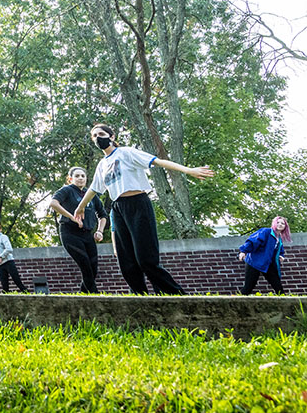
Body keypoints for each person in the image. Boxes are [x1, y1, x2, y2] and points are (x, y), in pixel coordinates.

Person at [73, 124, 214, 296]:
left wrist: (188, 170)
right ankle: (141, 299)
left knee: (146, 260)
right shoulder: (102, 165)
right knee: (126, 263)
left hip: (138, 204)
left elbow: (157, 161)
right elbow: (94, 189)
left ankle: (176, 296)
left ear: (111, 136)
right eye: (94, 136)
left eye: (101, 134)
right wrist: (80, 207)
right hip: (118, 208)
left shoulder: (126, 153)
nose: (97, 138)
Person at [49, 167, 107, 293]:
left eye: (83, 176)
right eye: (77, 176)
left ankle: (83, 296)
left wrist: (100, 231)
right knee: (85, 266)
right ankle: (96, 297)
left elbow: (103, 215)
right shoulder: (67, 190)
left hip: (87, 235)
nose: (80, 178)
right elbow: (53, 203)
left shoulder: (90, 194)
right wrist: (72, 217)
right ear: (70, 179)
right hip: (70, 233)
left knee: (93, 269)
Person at [238, 216, 291, 295]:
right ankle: (237, 302)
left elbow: (280, 250)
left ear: (285, 227)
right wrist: (243, 251)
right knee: (249, 286)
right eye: (278, 222)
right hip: (254, 262)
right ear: (274, 223)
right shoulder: (266, 232)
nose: (280, 224)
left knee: (277, 285)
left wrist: (281, 256)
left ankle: (285, 301)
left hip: (268, 264)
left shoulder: (279, 239)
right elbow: (253, 241)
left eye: (282, 223)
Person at [0, 222, 28, 293]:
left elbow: (9, 249)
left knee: (17, 281)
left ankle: (27, 294)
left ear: (0, 229)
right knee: (4, 286)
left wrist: (1, 256)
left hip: (8, 262)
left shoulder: (3, 237)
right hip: (0, 264)